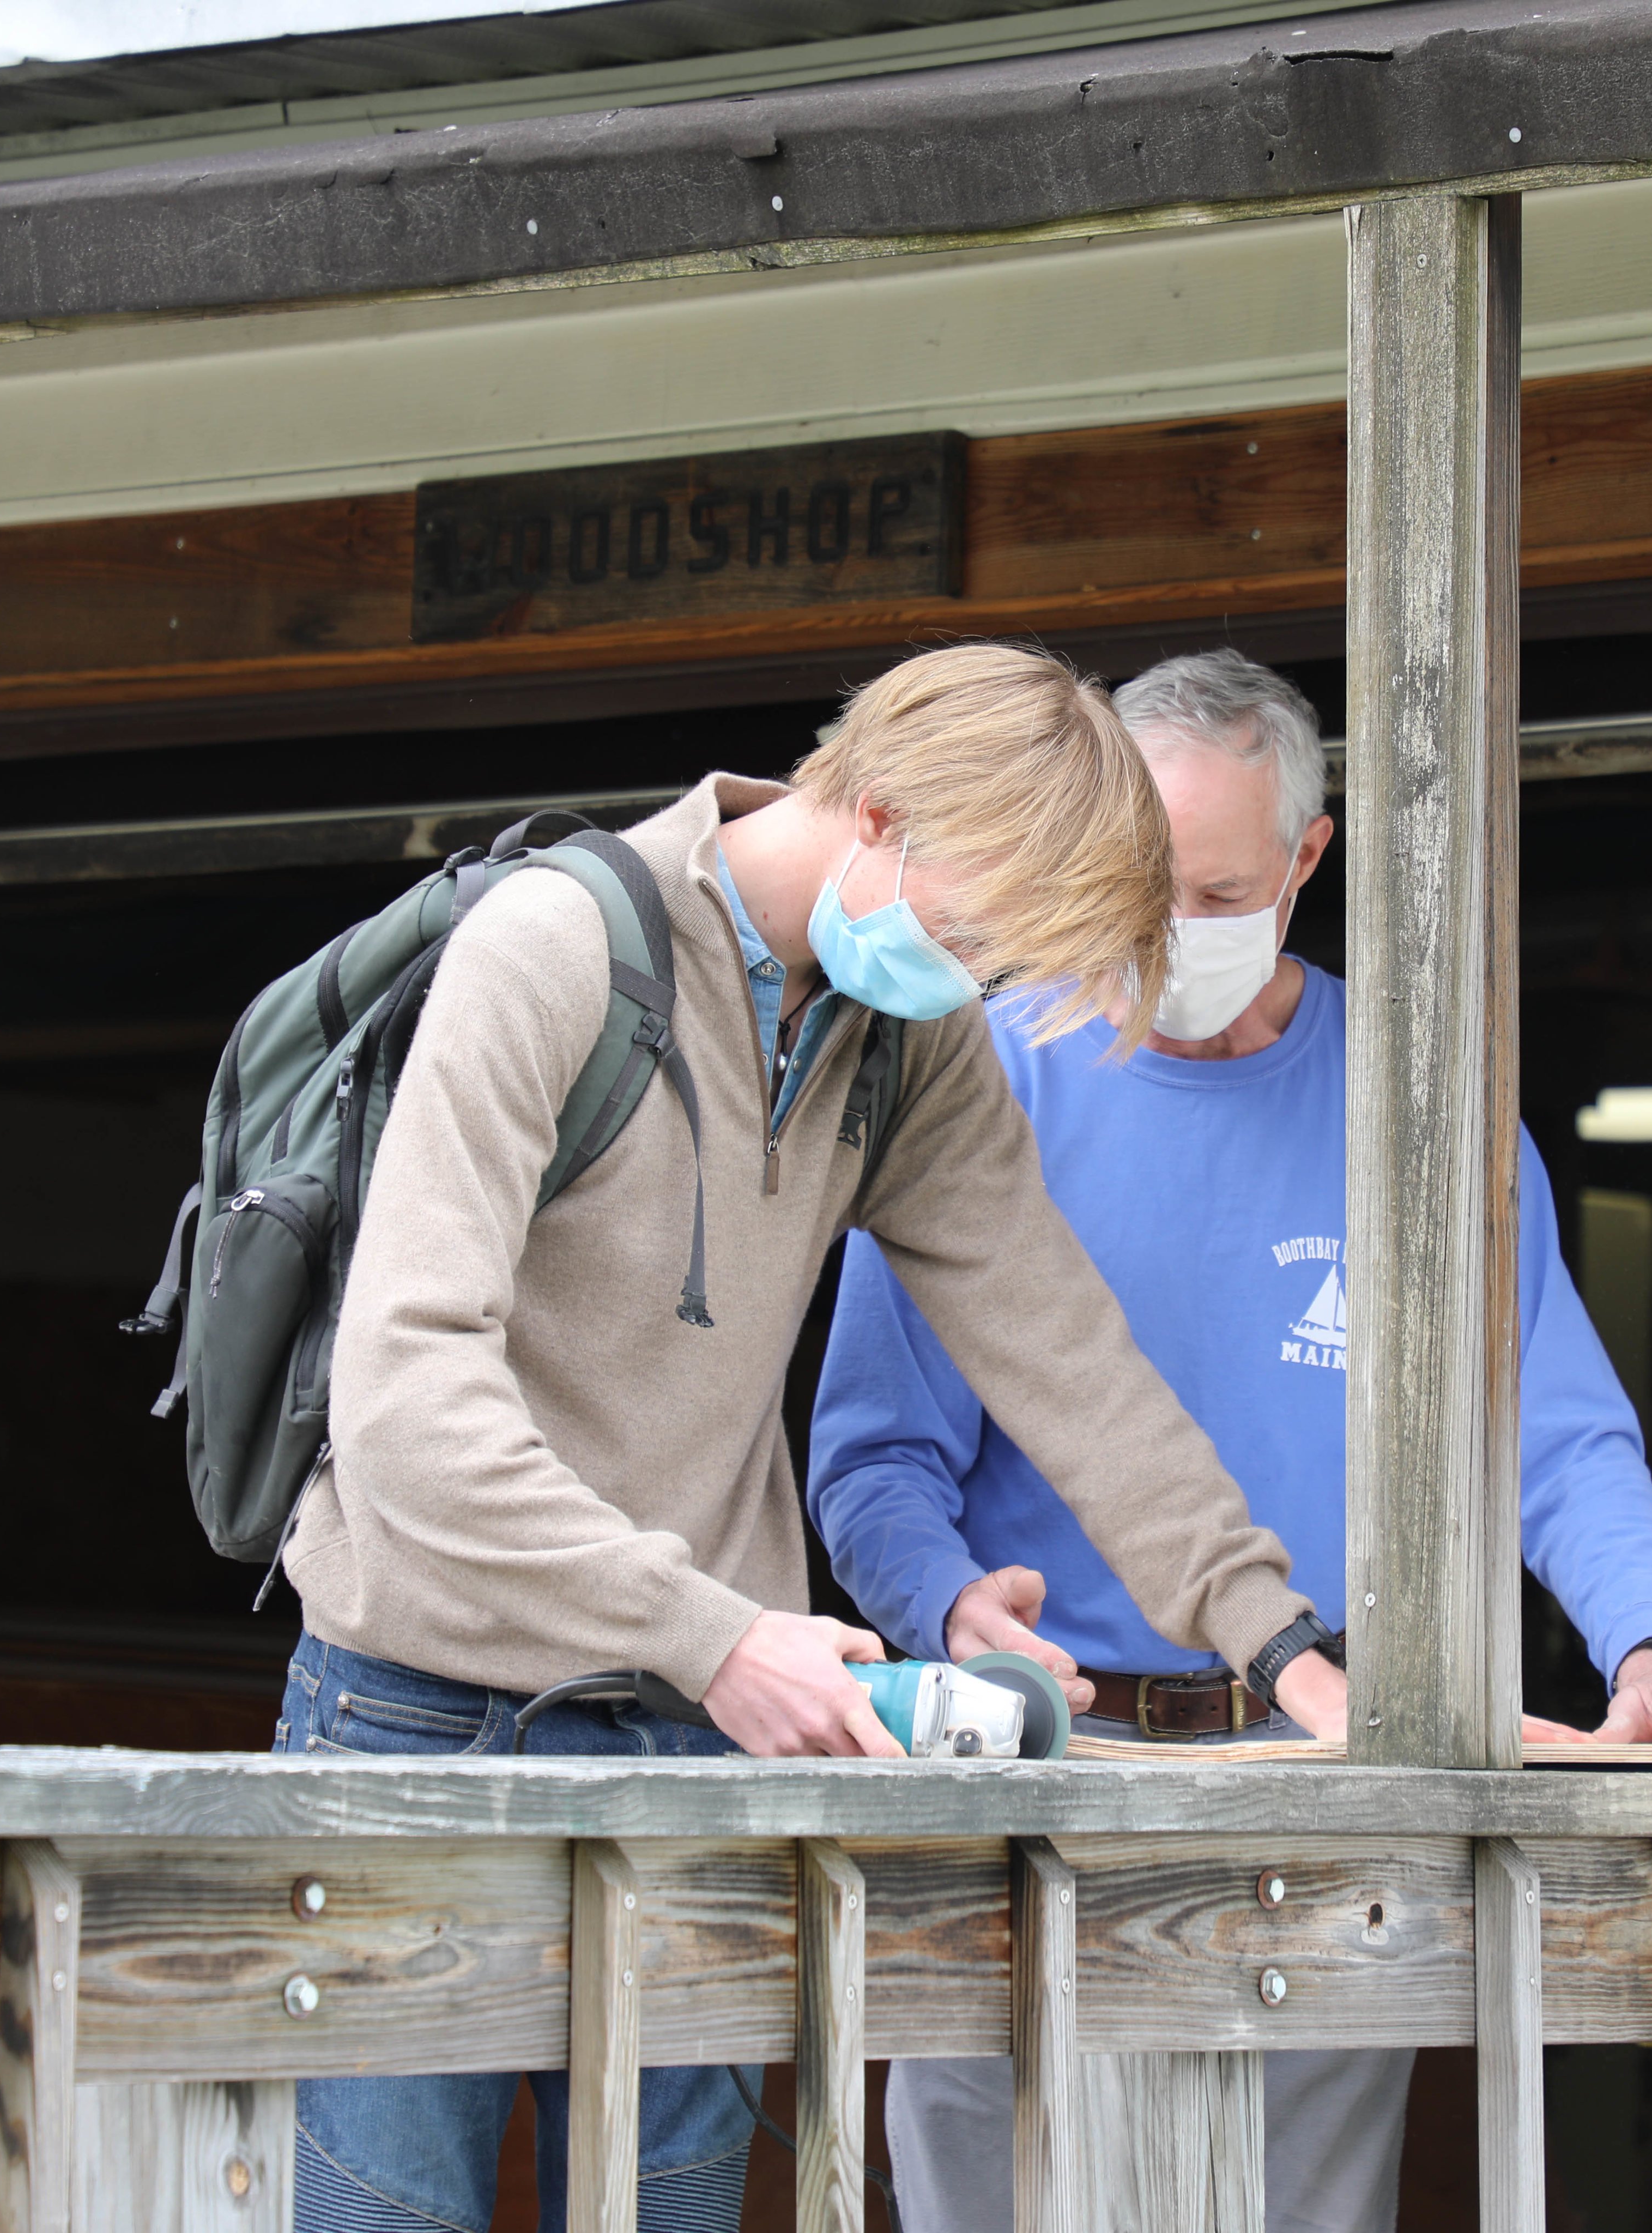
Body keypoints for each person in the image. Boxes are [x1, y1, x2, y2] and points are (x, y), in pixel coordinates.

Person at [272, 644, 1354, 2233]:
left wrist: (1281, 1644)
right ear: (882, 812)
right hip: (424, 1710)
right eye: (984, 933)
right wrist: (717, 1636)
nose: (982, 978)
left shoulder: (905, 1034)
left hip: (698, 1739)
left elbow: (1071, 1363)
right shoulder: (554, 951)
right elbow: (404, 1410)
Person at [808, 648, 1652, 2233]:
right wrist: (944, 1614)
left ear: (1308, 859)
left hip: (1335, 1787)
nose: (1164, 933)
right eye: (1136, 886)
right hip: (1046, 1786)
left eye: (1213, 890)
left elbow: (1553, 1437)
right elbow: (871, 1458)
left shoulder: (1423, 1110)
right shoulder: (978, 1073)